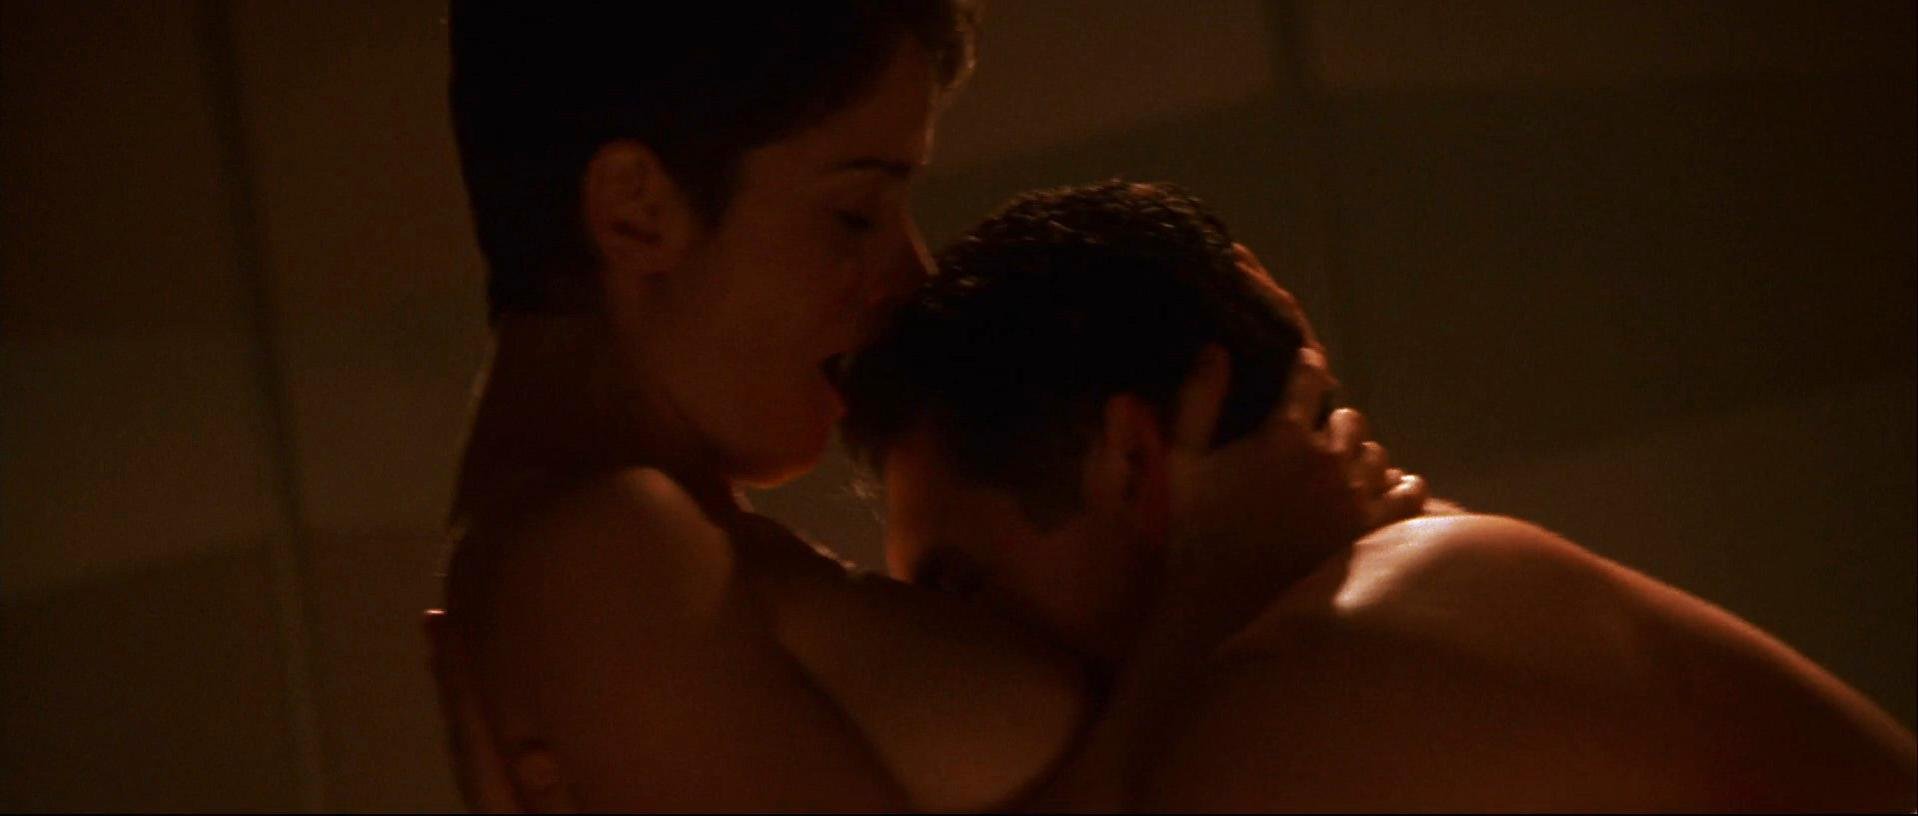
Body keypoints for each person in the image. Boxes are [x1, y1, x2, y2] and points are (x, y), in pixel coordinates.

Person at [428, 4, 1419, 811]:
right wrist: (1219, 591)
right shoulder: (596, 551)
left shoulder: (650, 550)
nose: (909, 275)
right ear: (636, 210)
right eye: (853, 212)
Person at [835, 179, 1918, 811]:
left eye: (963, 588)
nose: (950, 650)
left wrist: (1202, 606)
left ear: (1129, 462)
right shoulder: (1401, 605)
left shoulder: (1341, 656)